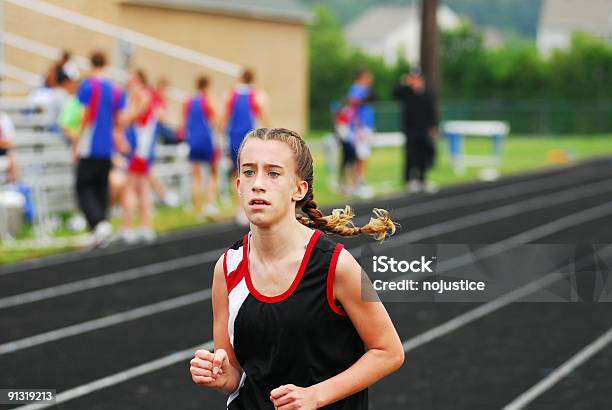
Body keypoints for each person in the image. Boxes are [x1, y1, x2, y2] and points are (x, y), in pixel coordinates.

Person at [189, 128, 404, 409]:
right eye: (250, 172)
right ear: (238, 184)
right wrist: (217, 373)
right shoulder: (228, 267)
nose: (258, 184)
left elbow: (388, 351)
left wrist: (315, 396)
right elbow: (234, 374)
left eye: (273, 173)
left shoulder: (336, 265)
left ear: (299, 189)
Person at [74, 50, 128, 246]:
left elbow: (85, 114)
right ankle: (100, 228)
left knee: (83, 186)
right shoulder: (115, 89)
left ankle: (99, 222)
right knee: (101, 187)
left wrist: (77, 141)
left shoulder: (88, 86)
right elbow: (119, 120)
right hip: (107, 146)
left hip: (91, 144)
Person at [219, 69, 270, 225]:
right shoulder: (258, 95)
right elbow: (264, 118)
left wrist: (220, 135)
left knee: (238, 176)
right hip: (250, 140)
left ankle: (240, 210)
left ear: (240, 77)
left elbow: (223, 119)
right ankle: (253, 208)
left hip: (234, 140)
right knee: (254, 175)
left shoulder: (230, 95)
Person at [119, 70, 159, 243]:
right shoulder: (145, 95)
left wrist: (119, 119)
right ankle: (145, 226)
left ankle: (128, 227)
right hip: (144, 146)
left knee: (131, 187)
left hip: (139, 147)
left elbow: (130, 116)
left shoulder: (141, 95)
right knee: (142, 187)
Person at [392, 67, 438, 193]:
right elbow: (394, 93)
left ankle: (422, 179)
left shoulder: (427, 93)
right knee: (410, 155)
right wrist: (403, 83)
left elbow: (432, 111)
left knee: (423, 154)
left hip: (423, 129)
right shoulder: (406, 92)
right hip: (410, 129)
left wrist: (433, 127)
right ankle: (408, 180)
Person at [181, 75, 219, 219]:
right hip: (206, 140)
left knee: (196, 177)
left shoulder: (188, 101)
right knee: (213, 172)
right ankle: (209, 203)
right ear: (207, 86)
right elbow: (216, 121)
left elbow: (184, 123)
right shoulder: (208, 99)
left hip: (193, 141)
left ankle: (199, 212)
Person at [0, 110, 18, 184]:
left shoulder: (4, 118)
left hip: (3, 150)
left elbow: (10, 142)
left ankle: (13, 185)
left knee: (12, 156)